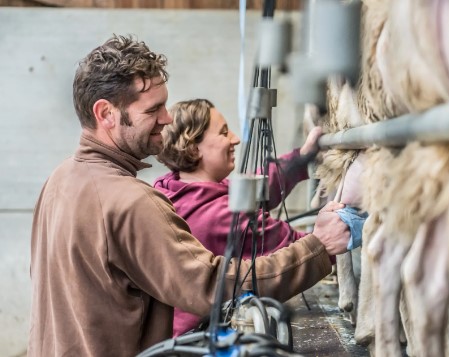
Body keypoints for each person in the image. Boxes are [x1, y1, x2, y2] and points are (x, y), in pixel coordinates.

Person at [29, 34, 350, 357]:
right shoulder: (131, 201)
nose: (167, 119)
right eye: (153, 109)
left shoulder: (59, 181)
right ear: (106, 113)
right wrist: (318, 247)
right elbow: (212, 285)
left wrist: (297, 162)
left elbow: (230, 196)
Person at [154, 99, 323, 336]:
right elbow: (302, 246)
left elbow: (252, 188)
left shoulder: (172, 188)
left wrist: (301, 159)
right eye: (223, 132)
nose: (235, 138)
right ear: (194, 148)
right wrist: (339, 227)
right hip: (200, 341)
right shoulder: (219, 216)